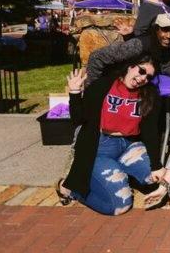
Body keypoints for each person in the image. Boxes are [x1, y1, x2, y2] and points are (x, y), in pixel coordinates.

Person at [56, 55, 163, 216]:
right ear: (130, 66)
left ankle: (116, 172)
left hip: (128, 145)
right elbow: (79, 119)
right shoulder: (104, 85)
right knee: (120, 206)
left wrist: (156, 166)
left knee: (152, 178)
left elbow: (151, 132)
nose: (142, 78)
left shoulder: (149, 93)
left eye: (148, 76)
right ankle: (72, 190)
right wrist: (75, 92)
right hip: (101, 147)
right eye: (141, 71)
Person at [86, 14, 170, 86]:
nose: (169, 35)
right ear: (156, 30)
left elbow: (163, 66)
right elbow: (96, 57)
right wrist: (94, 89)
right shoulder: (138, 45)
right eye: (165, 30)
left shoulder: (163, 47)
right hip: (111, 85)